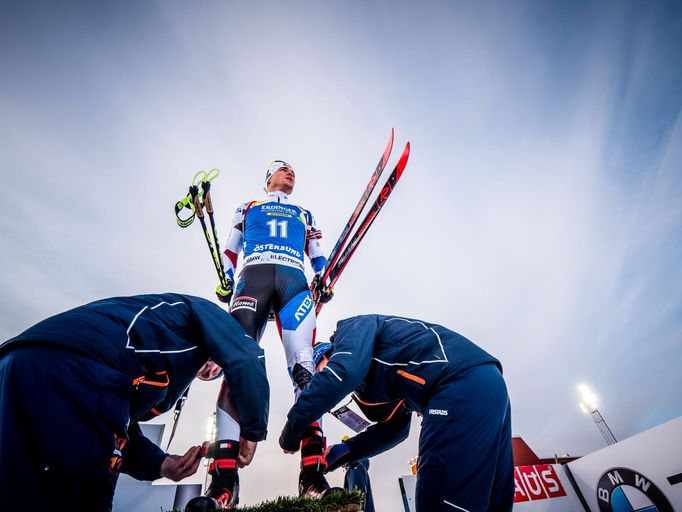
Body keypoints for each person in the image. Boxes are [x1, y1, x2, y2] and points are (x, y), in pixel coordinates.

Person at [0, 293, 269, 512]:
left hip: (15, 364)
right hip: (84, 364)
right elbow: (246, 357)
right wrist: (251, 428)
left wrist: (161, 464)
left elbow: (112, 423)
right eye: (214, 367)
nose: (210, 373)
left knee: (20, 493)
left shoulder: (151, 341)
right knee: (83, 496)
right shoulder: (202, 312)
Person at [279, 315, 514, 512]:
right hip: (490, 386)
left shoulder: (351, 330)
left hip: (456, 384)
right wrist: (342, 452)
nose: (317, 384)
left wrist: (292, 431)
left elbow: (342, 374)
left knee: (437, 500)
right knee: (494, 503)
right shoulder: (385, 369)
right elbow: (396, 430)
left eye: (318, 376)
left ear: (326, 357)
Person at [206, 160, 332, 506]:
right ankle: (223, 480)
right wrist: (226, 277)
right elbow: (230, 250)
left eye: (294, 170)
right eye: (283, 168)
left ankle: (312, 473)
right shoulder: (247, 207)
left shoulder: (304, 212)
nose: (291, 172)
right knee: (236, 365)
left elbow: (318, 254)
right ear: (268, 179)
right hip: (254, 277)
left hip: (294, 281)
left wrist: (323, 276)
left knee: (305, 367)